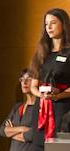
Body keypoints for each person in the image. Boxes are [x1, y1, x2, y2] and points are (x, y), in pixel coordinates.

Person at [29, 8, 70, 139]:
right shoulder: (42, 52)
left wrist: (57, 96)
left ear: (63, 24)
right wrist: (42, 95)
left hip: (62, 108)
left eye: (53, 23)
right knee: (39, 146)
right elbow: (33, 86)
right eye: (46, 24)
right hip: (41, 108)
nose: (49, 27)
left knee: (59, 148)